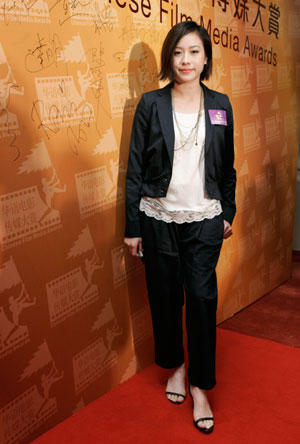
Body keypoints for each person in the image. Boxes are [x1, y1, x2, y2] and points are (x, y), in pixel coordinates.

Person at [124, 21, 236, 434]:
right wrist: (132, 225)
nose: (185, 60)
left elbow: (227, 166)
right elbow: (135, 169)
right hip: (158, 218)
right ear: (169, 59)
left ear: (206, 58)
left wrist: (228, 211)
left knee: (203, 300)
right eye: (177, 52)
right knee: (165, 297)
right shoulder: (151, 104)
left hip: (205, 219)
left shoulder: (221, 104)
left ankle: (201, 386)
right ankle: (175, 365)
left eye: (193, 52)